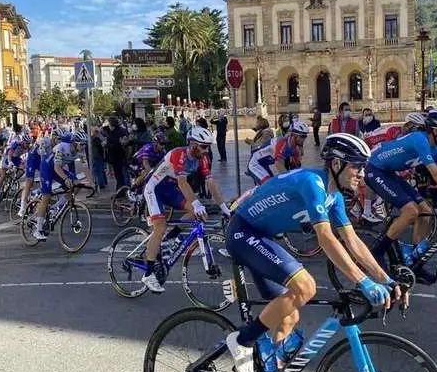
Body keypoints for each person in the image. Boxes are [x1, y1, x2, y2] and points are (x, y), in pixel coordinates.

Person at [224, 133, 402, 372]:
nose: (361, 173)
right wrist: (363, 282)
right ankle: (241, 341)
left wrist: (386, 279)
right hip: (243, 232)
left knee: (289, 317)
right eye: (356, 166)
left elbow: (352, 241)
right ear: (336, 164)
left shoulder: (335, 197)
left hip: (263, 237)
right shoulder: (312, 183)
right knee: (306, 286)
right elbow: (326, 238)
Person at [365, 110, 437, 284]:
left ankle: (414, 264)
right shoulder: (420, 140)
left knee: (427, 212)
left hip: (389, 172)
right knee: (411, 211)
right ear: (435, 130)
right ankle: (378, 251)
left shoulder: (436, 149)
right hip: (375, 169)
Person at [138, 126, 230, 293]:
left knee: (196, 214)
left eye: (208, 147)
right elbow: (182, 182)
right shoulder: (178, 154)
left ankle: (170, 238)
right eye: (204, 146)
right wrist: (196, 203)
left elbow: (211, 183)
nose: (207, 150)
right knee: (160, 227)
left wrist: (224, 207)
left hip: (171, 189)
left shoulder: (202, 158)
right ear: (193, 145)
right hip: (154, 188)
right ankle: (148, 274)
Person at [246, 121, 308, 185]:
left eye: (305, 136)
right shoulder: (282, 142)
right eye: (302, 136)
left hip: (265, 164)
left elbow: (295, 169)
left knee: (274, 184)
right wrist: (289, 180)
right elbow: (279, 164)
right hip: (255, 164)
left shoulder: (296, 148)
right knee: (269, 185)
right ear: (294, 135)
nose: (304, 139)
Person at [103, 116, 129, 190]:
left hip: (117, 155)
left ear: (111, 124)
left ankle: (121, 189)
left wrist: (106, 145)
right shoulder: (122, 130)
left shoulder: (114, 133)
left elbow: (114, 144)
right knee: (123, 173)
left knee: (119, 174)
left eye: (108, 123)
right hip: (122, 155)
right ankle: (123, 187)